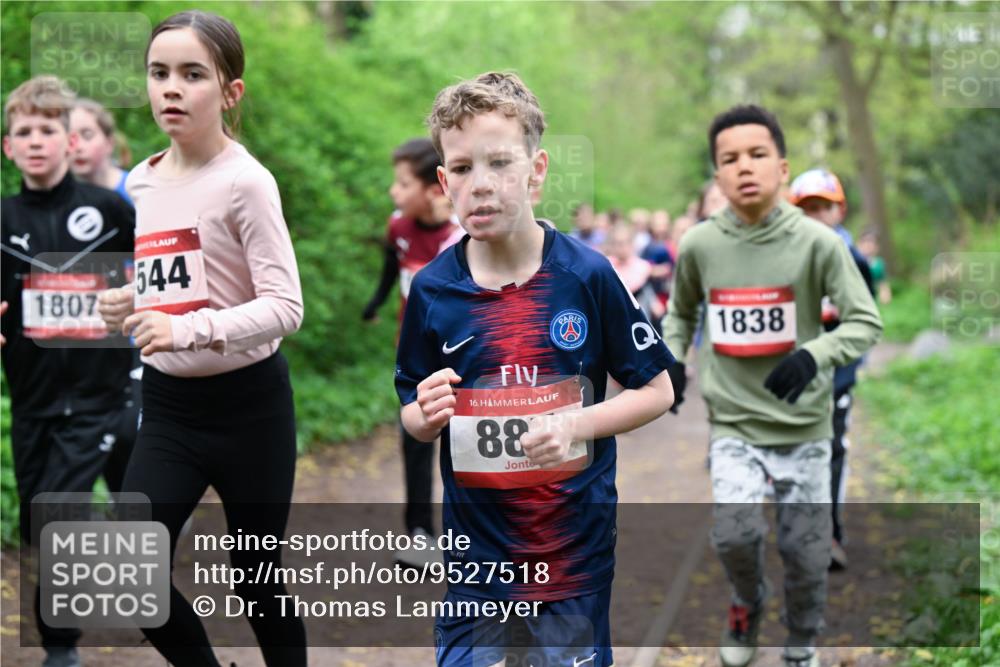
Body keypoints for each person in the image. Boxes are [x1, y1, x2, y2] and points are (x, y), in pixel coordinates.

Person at [398, 71, 674, 667]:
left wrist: (574, 425)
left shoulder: (587, 275)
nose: (481, 184)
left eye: (500, 163)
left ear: (537, 171)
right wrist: (424, 413)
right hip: (476, 560)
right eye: (463, 168)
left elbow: (657, 389)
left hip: (571, 554)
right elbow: (412, 415)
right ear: (444, 182)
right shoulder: (433, 290)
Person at [96, 11, 306, 666]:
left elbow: (285, 306)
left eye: (192, 74)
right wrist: (134, 300)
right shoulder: (140, 180)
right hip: (171, 410)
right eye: (159, 73)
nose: (171, 88)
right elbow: (185, 279)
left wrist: (184, 328)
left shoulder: (246, 182)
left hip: (251, 410)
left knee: (256, 580)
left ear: (230, 91)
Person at [662, 105, 882, 667]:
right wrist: (673, 359)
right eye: (730, 158)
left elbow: (864, 321)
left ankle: (802, 640)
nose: (745, 167)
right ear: (717, 176)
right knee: (734, 534)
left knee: (806, 555)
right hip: (734, 424)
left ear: (782, 168)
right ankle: (747, 604)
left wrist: (814, 355)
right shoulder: (700, 245)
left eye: (757, 154)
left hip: (804, 426)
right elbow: (680, 314)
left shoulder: (818, 243)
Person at [1, 75, 136, 667]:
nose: (36, 141)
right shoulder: (3, 218)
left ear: (70, 141)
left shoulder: (109, 210)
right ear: (8, 146)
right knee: (41, 519)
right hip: (31, 398)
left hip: (99, 396)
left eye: (47, 130)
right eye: (24, 132)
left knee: (59, 510)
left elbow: (152, 280)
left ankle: (60, 647)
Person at [361, 137, 459, 565]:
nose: (393, 192)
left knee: (464, 447)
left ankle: (477, 539)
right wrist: (374, 305)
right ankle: (421, 534)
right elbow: (392, 270)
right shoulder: (398, 227)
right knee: (414, 441)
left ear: (435, 189)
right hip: (417, 358)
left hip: (461, 360)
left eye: (403, 184)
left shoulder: (461, 237)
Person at [789, 168, 876, 570]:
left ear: (839, 211)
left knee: (832, 448)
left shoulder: (852, 258)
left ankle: (830, 535)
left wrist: (845, 373)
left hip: (835, 372)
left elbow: (864, 322)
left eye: (823, 207)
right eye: (807, 208)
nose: (816, 216)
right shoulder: (785, 257)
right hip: (791, 374)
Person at [69, 97, 141, 493]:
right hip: (81, 344)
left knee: (129, 433)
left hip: (135, 341)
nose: (76, 145)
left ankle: (154, 508)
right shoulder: (58, 201)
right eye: (69, 136)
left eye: (86, 134)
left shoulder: (138, 193)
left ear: (109, 142)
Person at [69, 99, 133, 206]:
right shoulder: (59, 198)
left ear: (110, 142)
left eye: (87, 135)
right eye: (70, 139)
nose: (78, 147)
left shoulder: (135, 190)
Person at [857, 229, 892, 305]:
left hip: (871, 299)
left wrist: (885, 293)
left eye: (871, 243)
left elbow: (882, 283)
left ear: (877, 247)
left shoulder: (878, 264)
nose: (868, 245)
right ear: (859, 244)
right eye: (865, 242)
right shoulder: (854, 261)